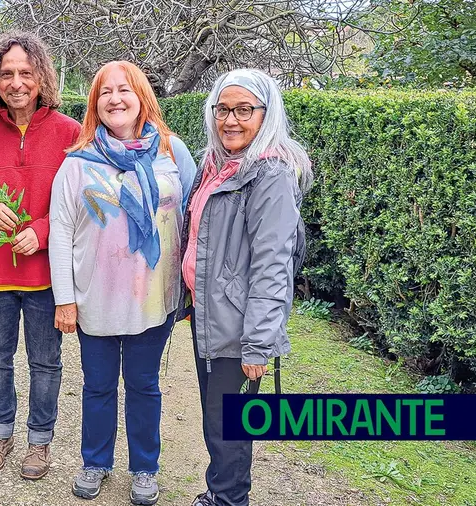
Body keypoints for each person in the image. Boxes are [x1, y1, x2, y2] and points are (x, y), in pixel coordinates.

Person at [49, 61, 197, 505]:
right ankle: (95, 460)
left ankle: (145, 468)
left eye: (124, 89)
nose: (115, 98)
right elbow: (59, 231)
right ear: (95, 104)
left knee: (144, 384)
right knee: (97, 385)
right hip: (96, 297)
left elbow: (191, 218)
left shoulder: (172, 152)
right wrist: (65, 300)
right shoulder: (78, 163)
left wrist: (188, 286)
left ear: (141, 97)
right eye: (105, 92)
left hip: (154, 298)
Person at [0, 31, 81, 480]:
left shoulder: (71, 134)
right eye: (7, 73)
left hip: (48, 277)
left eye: (25, 72)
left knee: (46, 362)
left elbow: (83, 203)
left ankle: (40, 443)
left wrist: (42, 231)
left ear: (41, 76)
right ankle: (0, 433)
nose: (16, 82)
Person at [182, 69, 312, 506]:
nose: (231, 120)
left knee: (227, 427)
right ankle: (221, 494)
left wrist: (258, 344)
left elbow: (273, 266)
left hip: (239, 330)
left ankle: (228, 500)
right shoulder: (217, 166)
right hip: (212, 316)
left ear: (266, 113)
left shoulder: (270, 175)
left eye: (244, 110)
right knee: (218, 422)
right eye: (223, 109)